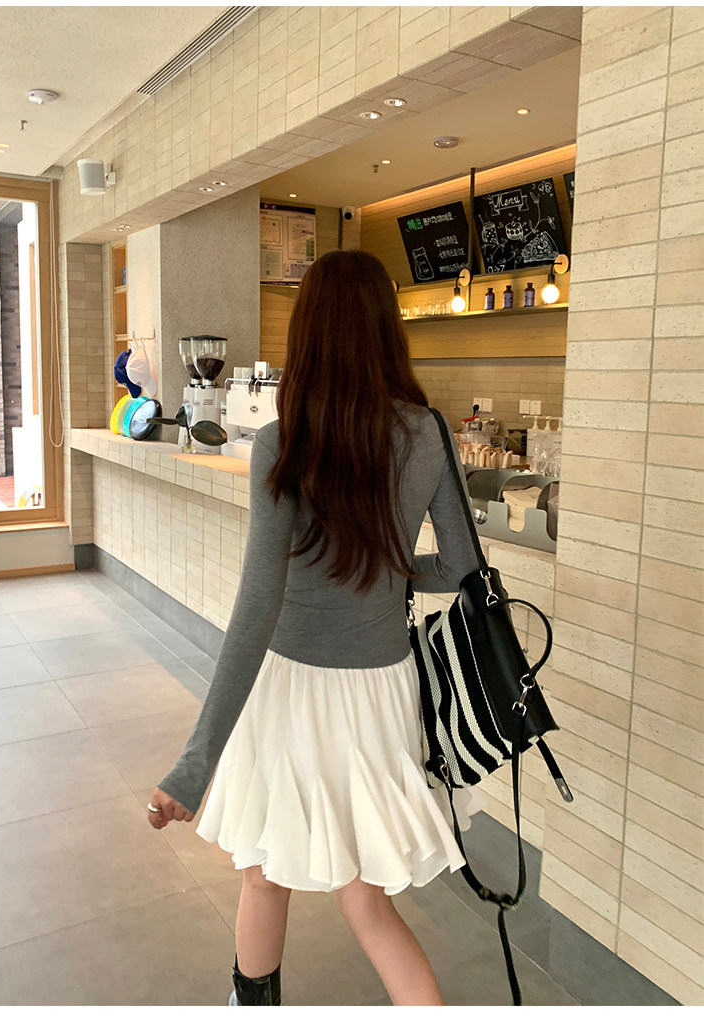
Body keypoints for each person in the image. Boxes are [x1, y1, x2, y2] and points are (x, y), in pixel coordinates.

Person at [146, 249, 483, 1007]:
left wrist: (194, 767)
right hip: (381, 689)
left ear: (308, 333)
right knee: (367, 898)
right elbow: (464, 568)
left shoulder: (285, 440)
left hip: (289, 686)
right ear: (386, 329)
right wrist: (388, 570)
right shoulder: (427, 432)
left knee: (265, 875)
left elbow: (256, 607)